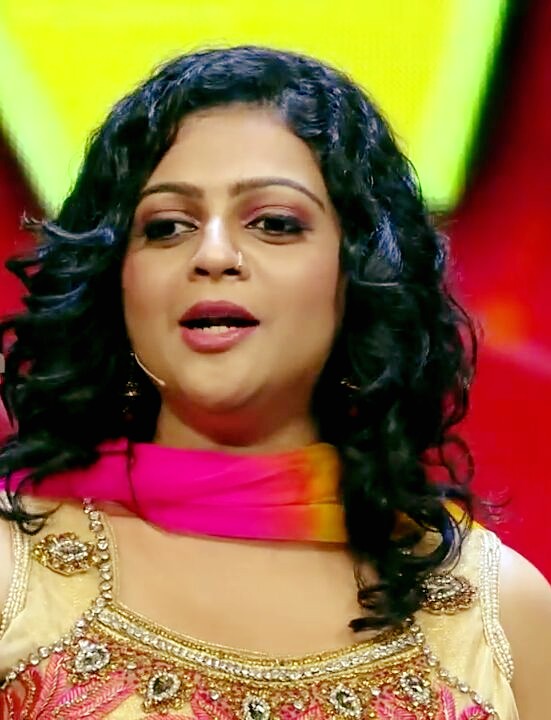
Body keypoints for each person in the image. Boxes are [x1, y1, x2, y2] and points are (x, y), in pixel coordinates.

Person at [0, 45, 548, 720]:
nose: (213, 254)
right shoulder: (12, 575)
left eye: (274, 224)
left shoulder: (501, 614)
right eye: (166, 227)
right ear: (116, 282)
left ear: (359, 275)